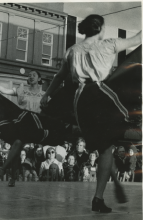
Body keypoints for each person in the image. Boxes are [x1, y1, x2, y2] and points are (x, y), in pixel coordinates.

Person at [40, 14, 142, 212]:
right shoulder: (109, 44)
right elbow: (138, 39)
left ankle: (100, 197)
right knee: (123, 130)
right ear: (101, 29)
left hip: (79, 100)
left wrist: (47, 95)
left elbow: (60, 77)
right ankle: (100, 195)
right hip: (101, 95)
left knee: (104, 147)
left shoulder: (72, 51)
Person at [0, 70, 65, 186]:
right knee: (18, 141)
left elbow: (52, 111)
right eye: (29, 75)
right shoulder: (21, 91)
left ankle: (4, 168)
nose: (31, 76)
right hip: (24, 123)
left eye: (34, 75)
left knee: (19, 140)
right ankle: (11, 176)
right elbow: (5, 91)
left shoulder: (44, 94)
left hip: (38, 125)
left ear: (39, 79)